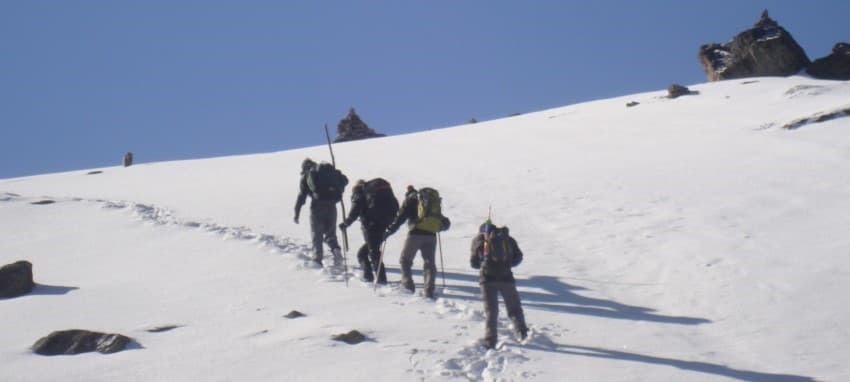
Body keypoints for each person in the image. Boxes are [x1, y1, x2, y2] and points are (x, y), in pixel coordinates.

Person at [470, 219, 529, 349]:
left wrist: (484, 264)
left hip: (487, 280)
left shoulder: (479, 240)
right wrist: (506, 265)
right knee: (514, 308)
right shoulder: (507, 239)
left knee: (491, 311)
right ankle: (522, 332)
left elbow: (473, 263)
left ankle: (490, 341)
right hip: (506, 278)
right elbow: (518, 257)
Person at [384, 185, 450, 299]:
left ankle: (408, 286)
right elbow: (442, 219)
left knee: (405, 260)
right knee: (429, 263)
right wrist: (440, 226)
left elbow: (400, 218)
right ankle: (429, 290)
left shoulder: (410, 201)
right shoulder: (429, 202)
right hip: (431, 235)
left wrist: (389, 231)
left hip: (415, 234)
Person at [339, 178, 399, 284]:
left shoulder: (360, 192)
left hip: (371, 225)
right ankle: (371, 277)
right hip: (384, 224)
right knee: (368, 252)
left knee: (369, 253)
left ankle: (379, 279)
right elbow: (396, 205)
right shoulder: (380, 192)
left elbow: (356, 209)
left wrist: (346, 223)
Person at [294, 158, 348, 267]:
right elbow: (345, 180)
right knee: (330, 233)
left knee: (317, 234)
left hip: (317, 206)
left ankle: (317, 260)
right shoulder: (327, 172)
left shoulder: (308, 175)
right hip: (332, 205)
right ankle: (336, 250)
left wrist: (297, 213)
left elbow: (302, 196)